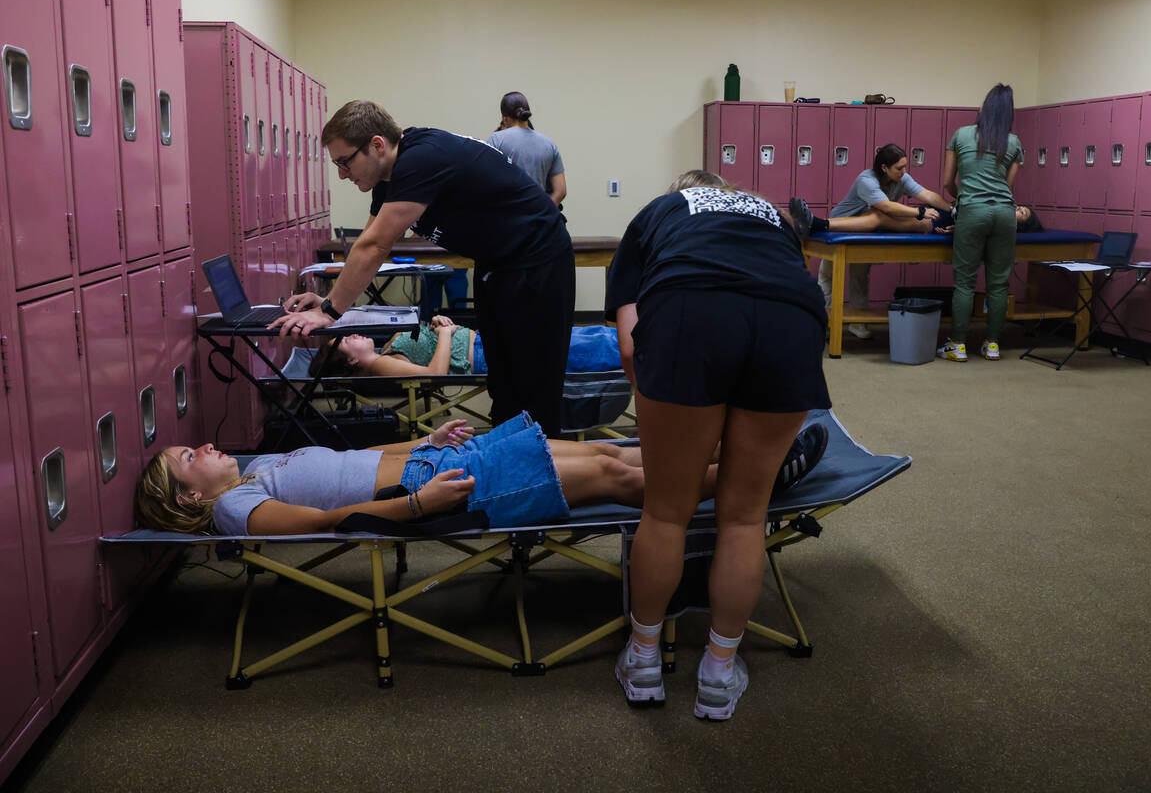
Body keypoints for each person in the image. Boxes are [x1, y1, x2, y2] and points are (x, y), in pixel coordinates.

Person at [605, 169, 832, 721]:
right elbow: (793, 287)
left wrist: (669, 412)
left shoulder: (659, 213)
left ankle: (642, 661)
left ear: (680, 191)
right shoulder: (772, 216)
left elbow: (634, 347)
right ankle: (718, 672)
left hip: (690, 312)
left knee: (665, 512)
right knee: (744, 518)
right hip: (792, 320)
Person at [269, 100, 575, 437]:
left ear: (377, 145)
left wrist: (329, 310)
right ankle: (508, 472)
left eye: (345, 162)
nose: (342, 174)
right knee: (503, 384)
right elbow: (367, 245)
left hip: (537, 260)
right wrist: (326, 296)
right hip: (500, 264)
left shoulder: (420, 159)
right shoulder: (390, 178)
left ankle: (549, 476)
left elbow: (376, 247)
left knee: (535, 387)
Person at [133, 415, 827, 537]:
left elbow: (351, 466)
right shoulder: (236, 510)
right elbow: (330, 520)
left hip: (438, 462)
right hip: (437, 489)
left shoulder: (253, 473)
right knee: (614, 477)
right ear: (193, 496)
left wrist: (423, 440)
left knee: (604, 451)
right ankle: (754, 479)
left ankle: (733, 459)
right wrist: (423, 503)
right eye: (187, 460)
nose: (199, 446)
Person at [789, 144, 955, 339]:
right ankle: (822, 323)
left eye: (904, 167)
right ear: (884, 167)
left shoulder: (902, 178)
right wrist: (919, 212)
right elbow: (887, 207)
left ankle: (857, 325)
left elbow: (927, 195)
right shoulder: (866, 180)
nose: (904, 172)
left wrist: (953, 209)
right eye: (899, 168)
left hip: (871, 229)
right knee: (828, 277)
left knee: (860, 276)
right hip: (842, 225)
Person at [938, 84, 1023, 362]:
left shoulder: (961, 135)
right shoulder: (1013, 142)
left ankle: (958, 345)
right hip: (1004, 213)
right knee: (998, 284)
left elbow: (947, 182)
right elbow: (1007, 187)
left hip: (972, 211)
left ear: (984, 108)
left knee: (964, 281)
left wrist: (963, 197)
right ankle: (992, 344)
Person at [314, 315, 620, 378]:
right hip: (483, 356)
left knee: (580, 335)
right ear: (352, 362)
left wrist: (437, 326)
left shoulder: (385, 350)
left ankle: (634, 341)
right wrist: (445, 334)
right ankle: (642, 350)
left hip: (483, 342)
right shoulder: (381, 363)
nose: (351, 335)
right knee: (578, 349)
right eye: (344, 342)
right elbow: (434, 374)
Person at [486, 92, 567, 208]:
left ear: (504, 118)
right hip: (538, 220)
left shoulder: (496, 139)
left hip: (509, 217)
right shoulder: (549, 144)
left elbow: (485, 180)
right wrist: (543, 212)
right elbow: (561, 191)